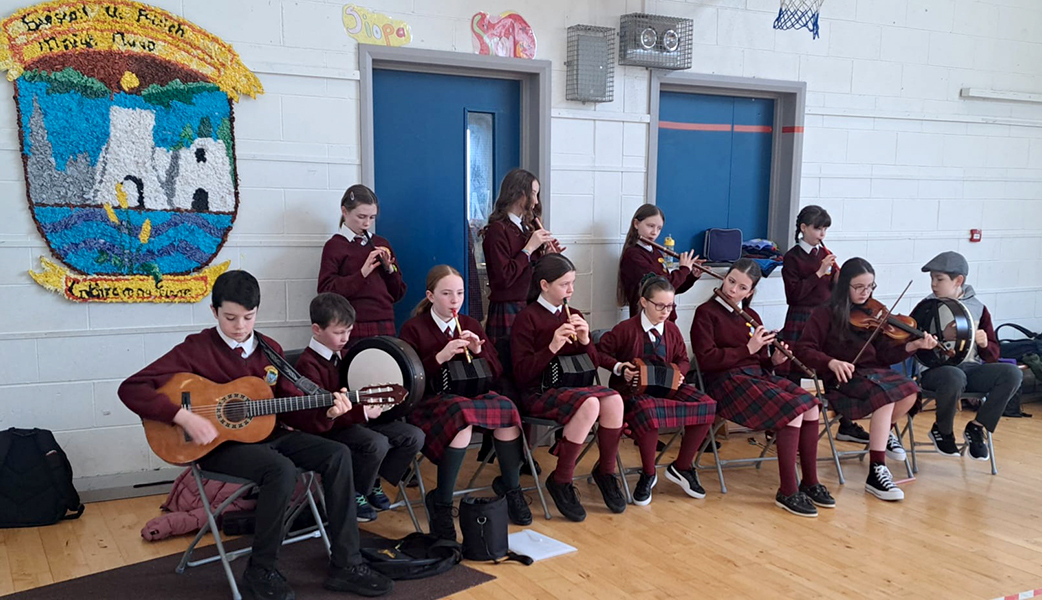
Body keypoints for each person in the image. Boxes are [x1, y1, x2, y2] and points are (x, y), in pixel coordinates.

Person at [118, 271, 392, 599]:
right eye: (230, 317)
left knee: (337, 454)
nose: (240, 327)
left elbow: (293, 408)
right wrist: (182, 416)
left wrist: (328, 412)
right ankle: (261, 570)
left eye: (248, 317)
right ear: (214, 311)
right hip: (216, 446)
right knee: (280, 470)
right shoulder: (196, 349)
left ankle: (346, 563)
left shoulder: (270, 350)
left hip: (267, 435)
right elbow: (131, 388)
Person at [691, 259, 834, 517]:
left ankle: (810, 482)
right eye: (731, 281)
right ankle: (788, 490)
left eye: (742, 287)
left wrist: (774, 360)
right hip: (726, 383)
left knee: (811, 404)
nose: (733, 290)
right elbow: (706, 360)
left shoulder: (752, 316)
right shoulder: (706, 312)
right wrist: (748, 349)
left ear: (751, 292)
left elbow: (759, 362)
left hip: (755, 376)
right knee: (793, 408)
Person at [399, 265, 531, 540]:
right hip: (431, 402)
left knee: (506, 408)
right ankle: (443, 502)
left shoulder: (470, 324)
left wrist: (479, 350)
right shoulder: (414, 329)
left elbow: (495, 373)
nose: (454, 300)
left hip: (471, 395)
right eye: (446, 294)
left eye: (459, 293)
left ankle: (511, 487)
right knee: (462, 417)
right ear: (430, 296)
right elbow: (406, 380)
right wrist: (440, 357)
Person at [796, 257, 938, 502]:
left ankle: (884, 433)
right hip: (844, 378)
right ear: (844, 287)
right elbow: (804, 349)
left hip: (875, 374)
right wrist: (831, 361)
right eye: (859, 287)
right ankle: (876, 471)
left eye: (870, 286)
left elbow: (885, 355)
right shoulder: (824, 314)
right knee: (885, 396)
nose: (866, 293)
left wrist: (913, 344)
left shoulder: (875, 313)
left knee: (911, 391)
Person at [284, 293, 424, 523]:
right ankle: (356, 492)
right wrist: (362, 413)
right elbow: (320, 417)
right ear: (317, 330)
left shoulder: (349, 356)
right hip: (329, 428)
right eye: (339, 332)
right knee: (375, 444)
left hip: (357, 422)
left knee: (413, 436)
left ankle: (374, 480)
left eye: (349, 331)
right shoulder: (307, 366)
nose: (345, 338)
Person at [511, 254, 627, 521]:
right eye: (565, 284)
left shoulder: (573, 314)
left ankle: (606, 471)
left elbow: (593, 365)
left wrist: (586, 341)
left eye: (572, 283)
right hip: (539, 391)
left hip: (574, 388)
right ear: (544, 285)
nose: (571, 291)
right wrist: (551, 347)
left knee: (614, 399)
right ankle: (561, 479)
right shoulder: (526, 319)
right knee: (590, 403)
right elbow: (521, 374)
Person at [596, 276, 717, 505]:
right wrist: (621, 368)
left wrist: (679, 372)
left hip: (667, 387)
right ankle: (648, 473)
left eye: (670, 306)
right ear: (644, 302)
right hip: (632, 393)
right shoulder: (625, 329)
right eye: (659, 305)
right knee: (648, 410)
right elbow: (599, 354)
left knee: (707, 404)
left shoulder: (671, 330)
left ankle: (682, 467)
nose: (665, 311)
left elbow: (683, 359)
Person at [917, 251, 1022, 460]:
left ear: (959, 281)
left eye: (939, 279)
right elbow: (913, 346)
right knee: (955, 376)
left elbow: (993, 354)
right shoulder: (926, 307)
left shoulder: (978, 308)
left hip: (970, 368)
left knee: (1012, 373)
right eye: (932, 279)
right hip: (935, 372)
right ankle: (943, 430)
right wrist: (940, 336)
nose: (933, 285)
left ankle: (977, 427)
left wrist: (984, 344)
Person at [780, 205, 870, 445]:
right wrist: (819, 273)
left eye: (825, 229)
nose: (822, 234)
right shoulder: (792, 257)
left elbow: (831, 292)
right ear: (803, 228)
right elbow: (794, 295)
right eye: (818, 228)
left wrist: (841, 282)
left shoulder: (823, 254)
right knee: (794, 369)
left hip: (824, 318)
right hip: (800, 317)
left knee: (834, 367)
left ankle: (846, 423)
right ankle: (788, 425)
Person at [318, 184, 405, 341]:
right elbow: (325, 292)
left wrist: (389, 270)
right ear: (344, 211)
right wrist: (362, 273)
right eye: (361, 217)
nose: (367, 224)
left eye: (372, 217)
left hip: (385, 321)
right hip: (352, 323)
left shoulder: (381, 242)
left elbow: (398, 293)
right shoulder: (335, 246)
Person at [617, 204, 703, 322]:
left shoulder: (656, 252)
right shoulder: (633, 256)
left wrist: (692, 275)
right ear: (636, 224)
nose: (654, 232)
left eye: (659, 228)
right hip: (645, 321)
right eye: (650, 226)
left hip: (666, 320)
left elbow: (671, 288)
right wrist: (684, 270)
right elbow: (659, 288)